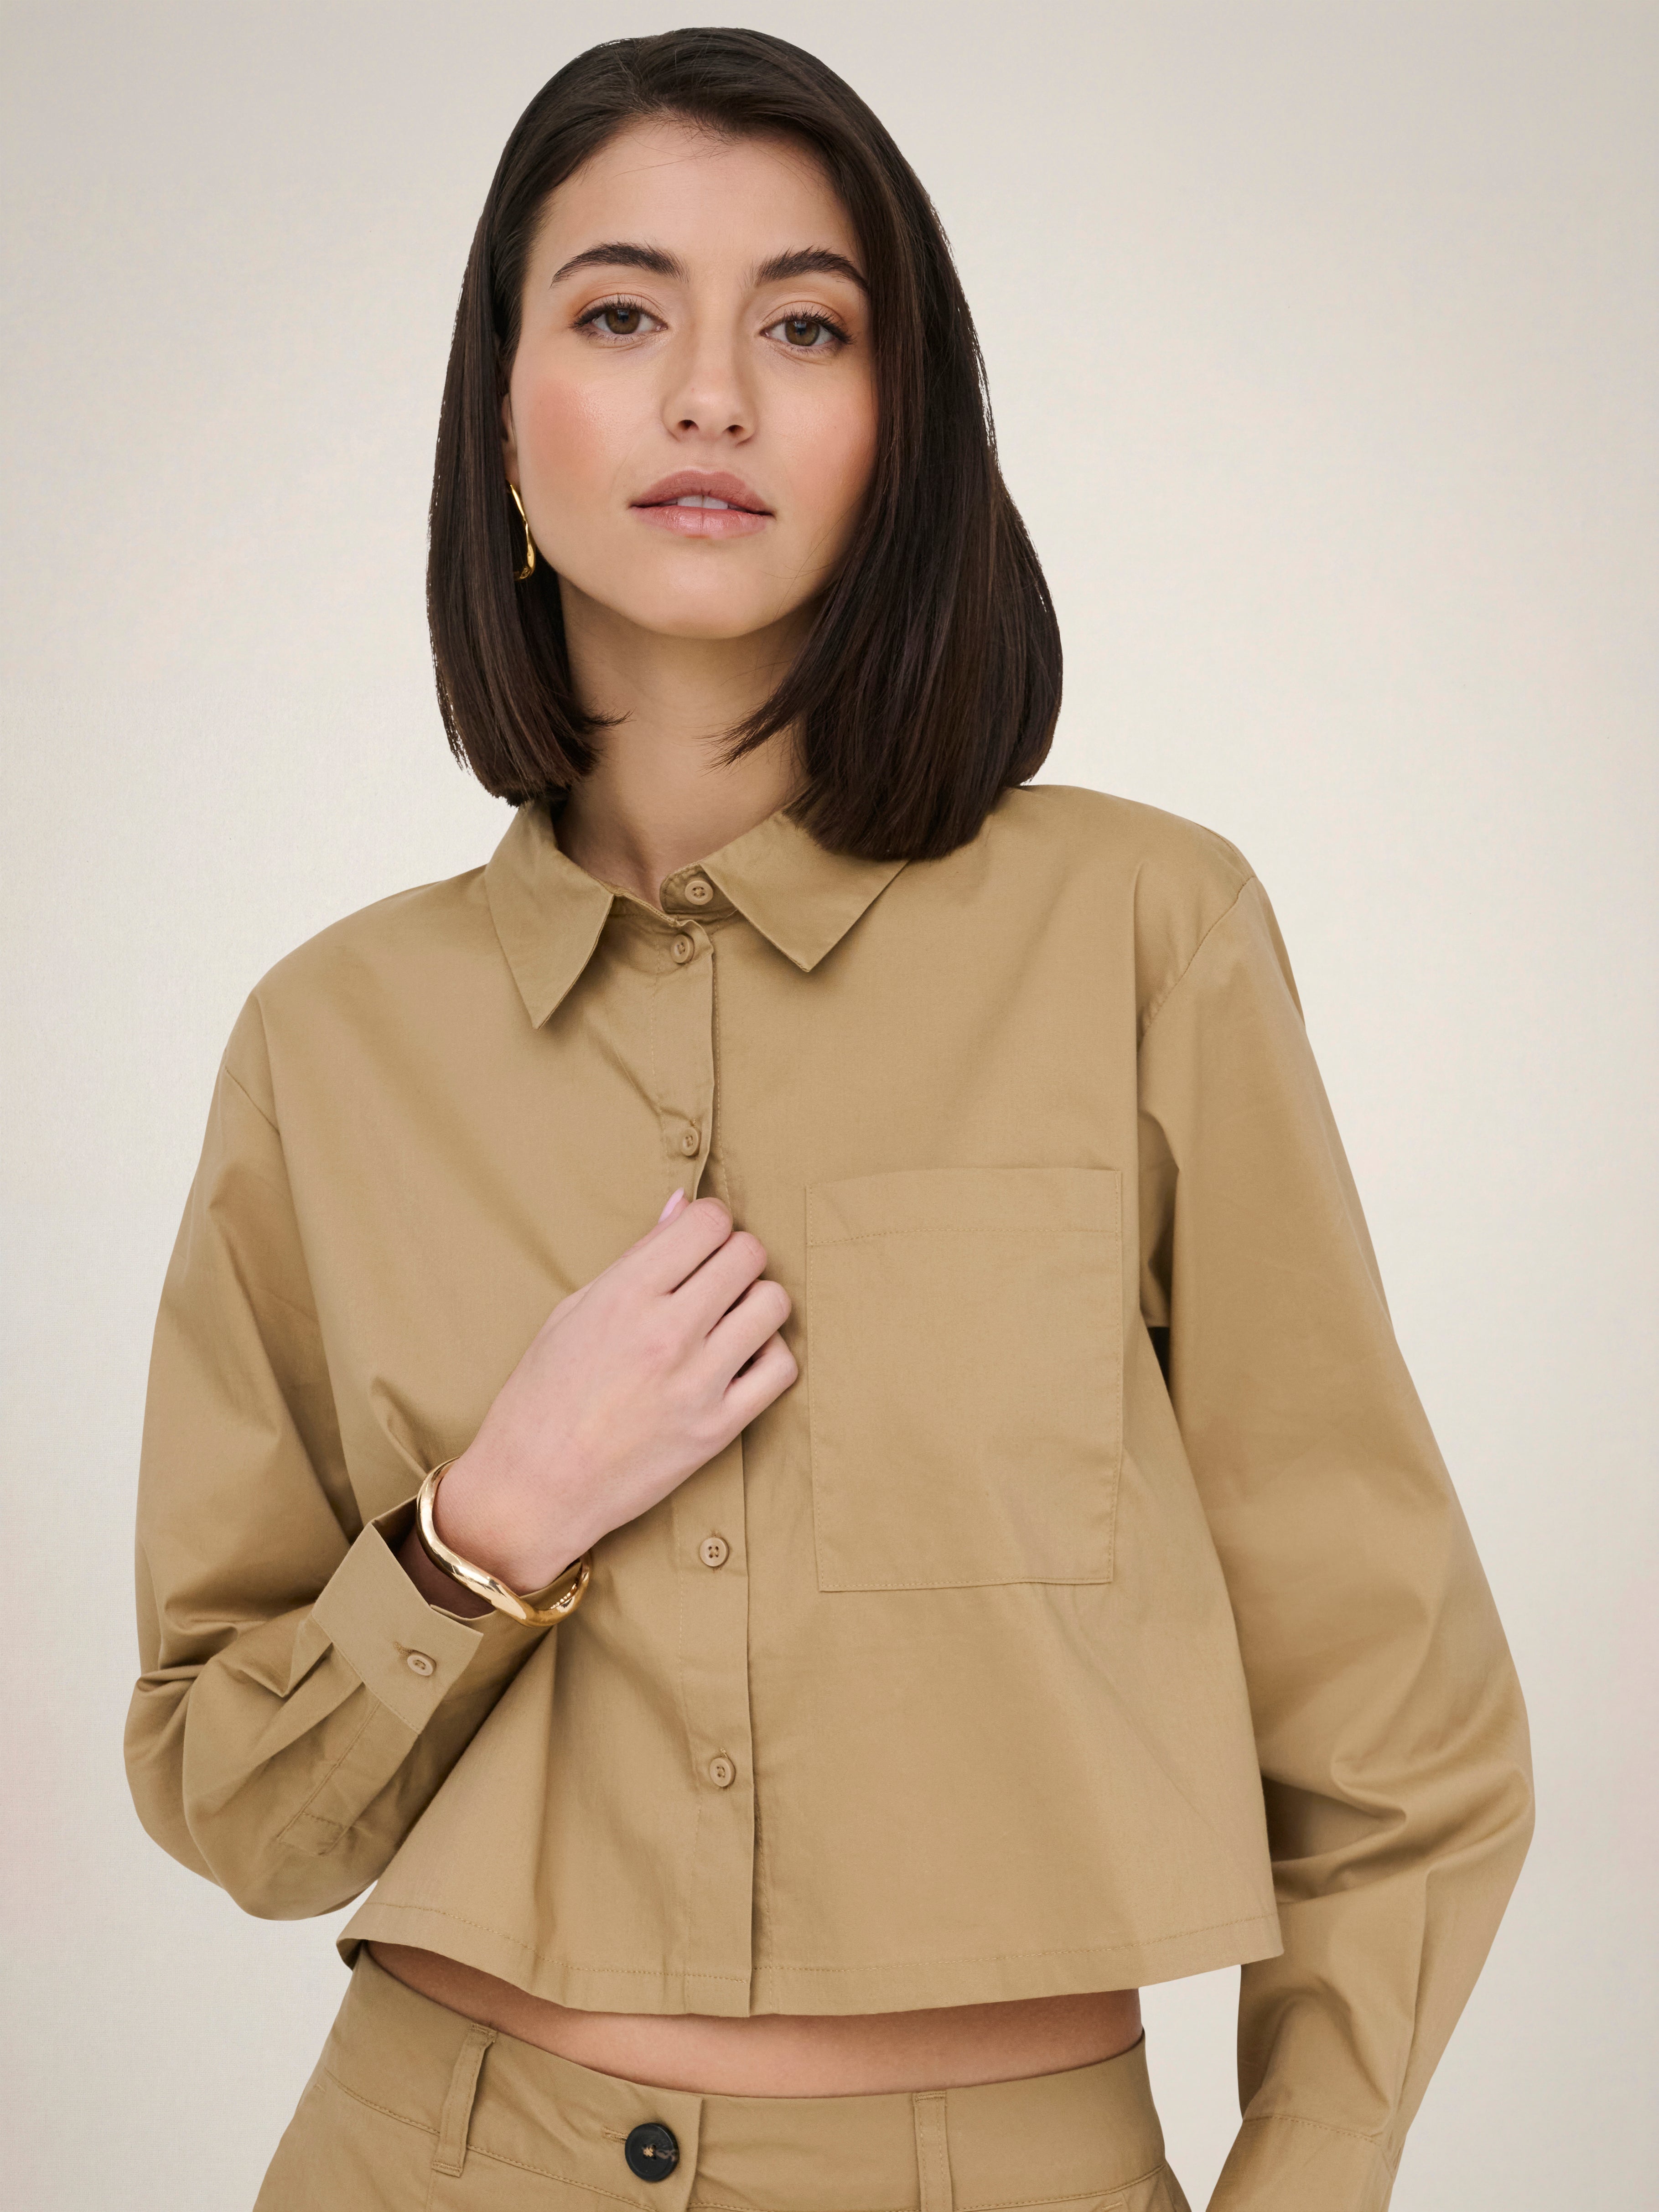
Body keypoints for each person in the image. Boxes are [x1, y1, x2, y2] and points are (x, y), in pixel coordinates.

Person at [124, 27, 1533, 2212]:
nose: (710, 395)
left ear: (902, 429)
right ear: (500, 420)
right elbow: (234, 1804)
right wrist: (491, 1521)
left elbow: (1399, 1738)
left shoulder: (1143, 936)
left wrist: (1307, 2173)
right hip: (430, 2151)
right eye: (620, 316)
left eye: (804, 327)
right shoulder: (331, 1040)